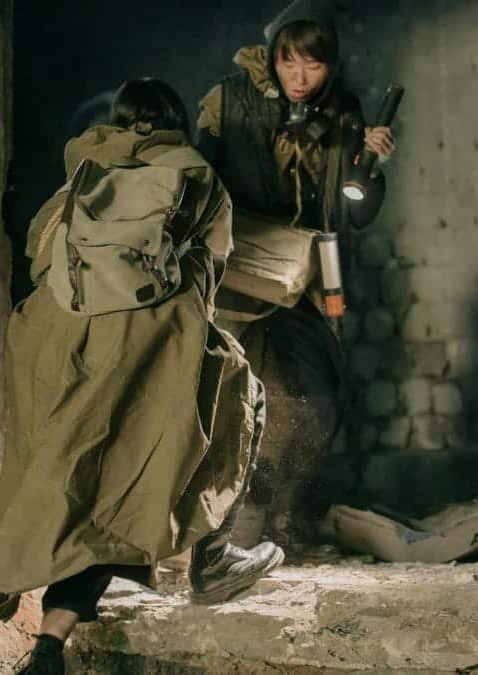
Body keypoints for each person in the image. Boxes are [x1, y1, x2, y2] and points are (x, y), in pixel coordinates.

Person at [0, 78, 284, 675]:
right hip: (149, 339)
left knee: (87, 480)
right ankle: (212, 560)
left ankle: (47, 650)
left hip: (55, 342)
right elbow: (210, 270)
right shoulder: (195, 174)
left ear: (118, 120)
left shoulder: (84, 169)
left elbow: (42, 252)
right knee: (241, 403)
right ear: (175, 123)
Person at [195, 0, 398, 531]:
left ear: (330, 65)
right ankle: (220, 526)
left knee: (322, 401)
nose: (300, 78)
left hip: (307, 276)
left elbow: (360, 210)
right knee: (226, 397)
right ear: (273, 56)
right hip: (239, 273)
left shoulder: (342, 113)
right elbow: (197, 182)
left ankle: (275, 502)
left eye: (313, 64)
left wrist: (369, 167)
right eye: (289, 62)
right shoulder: (229, 102)